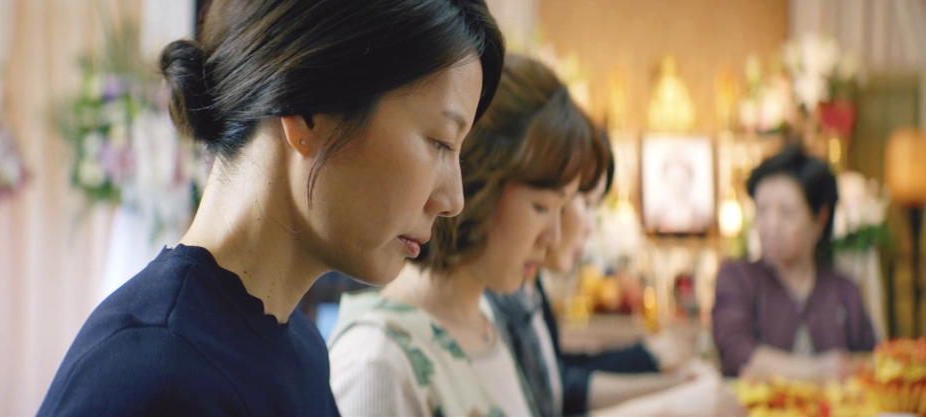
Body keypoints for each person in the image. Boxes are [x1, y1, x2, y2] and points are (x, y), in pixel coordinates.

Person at [37, 1, 504, 415]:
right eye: (440, 141)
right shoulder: (157, 376)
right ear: (307, 112)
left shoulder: (300, 348)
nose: (453, 200)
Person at [328, 55, 606, 417]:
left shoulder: (486, 319)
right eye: (541, 207)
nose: (552, 238)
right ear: (481, 185)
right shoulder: (379, 363)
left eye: (563, 207)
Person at [487, 134, 744, 417]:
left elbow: (557, 380)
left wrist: (664, 377)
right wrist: (672, 405)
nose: (589, 227)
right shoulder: (495, 294)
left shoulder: (525, 286)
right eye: (585, 203)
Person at [712, 146, 876, 382]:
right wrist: (816, 371)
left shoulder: (845, 290)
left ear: (819, 219)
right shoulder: (738, 278)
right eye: (762, 211)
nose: (771, 225)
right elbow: (736, 351)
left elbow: (871, 361)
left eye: (787, 212)